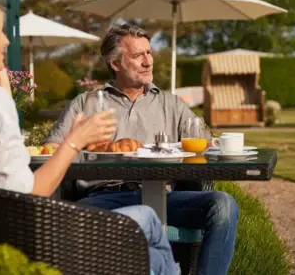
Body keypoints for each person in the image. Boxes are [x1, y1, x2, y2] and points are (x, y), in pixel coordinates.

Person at [0, 0, 179, 275]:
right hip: (20, 242)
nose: (6, 40)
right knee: (148, 218)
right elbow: (34, 191)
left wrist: (0, 76)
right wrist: (75, 140)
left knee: (149, 253)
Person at [45, 23, 239, 275]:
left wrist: (214, 147)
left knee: (223, 205)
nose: (148, 62)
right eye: (138, 55)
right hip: (103, 198)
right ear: (115, 64)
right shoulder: (87, 103)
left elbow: (205, 147)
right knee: (68, 220)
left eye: (149, 53)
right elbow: (51, 150)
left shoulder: (171, 105)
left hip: (163, 198)